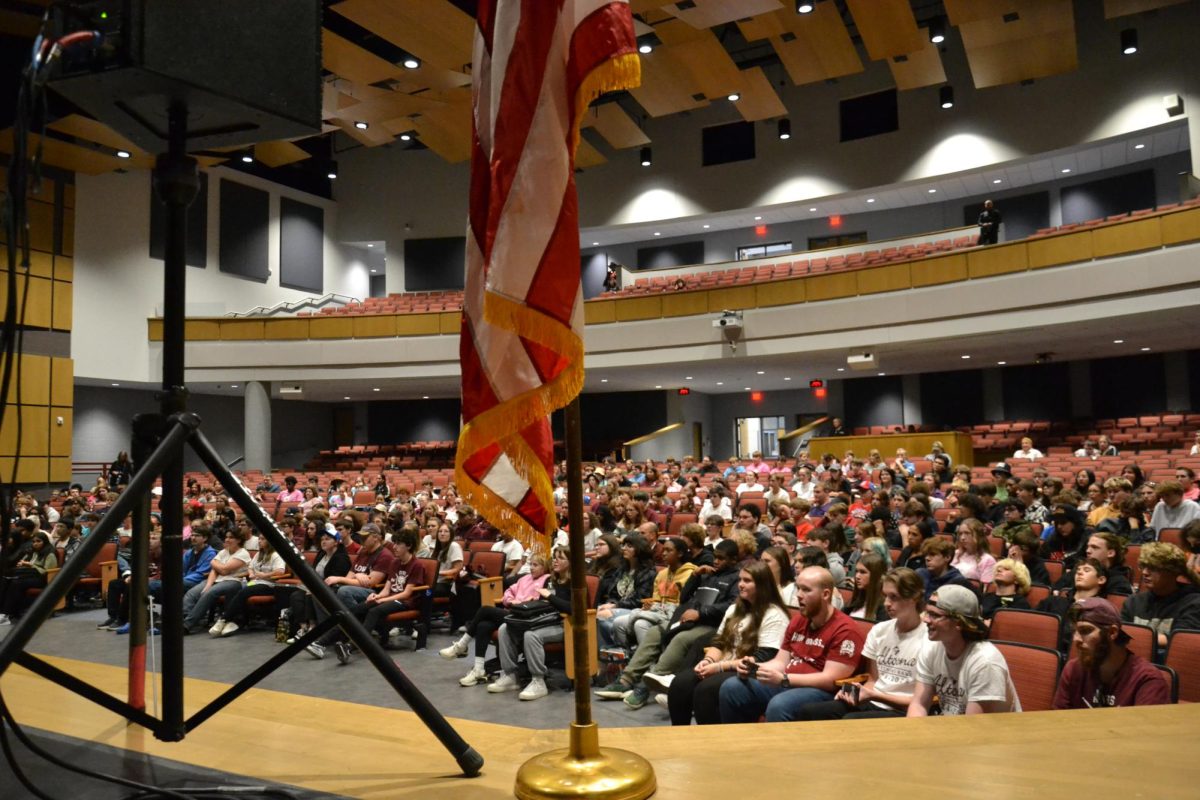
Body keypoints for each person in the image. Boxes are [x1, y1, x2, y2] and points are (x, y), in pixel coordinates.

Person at [597, 540, 741, 710]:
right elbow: (684, 598)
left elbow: (732, 605)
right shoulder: (708, 573)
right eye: (715, 557)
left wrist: (701, 613)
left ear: (733, 560)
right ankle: (626, 680)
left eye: (721, 558)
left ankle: (645, 684)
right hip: (689, 619)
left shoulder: (737, 578)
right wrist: (695, 575)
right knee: (654, 633)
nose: (716, 561)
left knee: (681, 639)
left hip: (712, 625)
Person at [716, 566, 863, 723]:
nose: (799, 595)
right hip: (788, 682)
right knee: (732, 686)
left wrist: (785, 679)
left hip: (821, 691)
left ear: (825, 594)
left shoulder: (845, 629)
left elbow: (831, 679)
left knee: (780, 705)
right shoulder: (799, 620)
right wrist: (755, 668)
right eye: (798, 588)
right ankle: (740, 743)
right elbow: (780, 662)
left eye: (806, 590)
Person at [666, 561, 791, 725]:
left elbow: (763, 657)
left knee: (706, 690)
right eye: (740, 580)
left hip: (749, 671)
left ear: (762, 585)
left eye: (747, 581)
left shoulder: (775, 615)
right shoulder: (734, 609)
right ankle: (679, 734)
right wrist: (707, 661)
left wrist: (718, 667)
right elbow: (719, 642)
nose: (740, 585)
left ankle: (712, 741)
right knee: (681, 683)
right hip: (724, 663)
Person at [796, 568, 929, 721]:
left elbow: (922, 700)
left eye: (894, 597)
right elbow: (872, 680)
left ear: (914, 598)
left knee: (850, 720)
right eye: (885, 596)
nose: (886, 603)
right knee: (809, 711)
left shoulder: (928, 638)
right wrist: (855, 694)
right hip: (874, 700)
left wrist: (876, 696)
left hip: (904, 709)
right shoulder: (880, 630)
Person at [908, 585, 1021, 716]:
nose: (925, 619)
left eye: (934, 615)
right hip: (952, 728)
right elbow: (919, 704)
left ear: (959, 623)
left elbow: (974, 728)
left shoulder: (985, 662)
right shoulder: (931, 647)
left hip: (995, 733)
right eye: (927, 612)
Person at [443, 552, 551, 685]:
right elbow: (508, 592)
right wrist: (510, 601)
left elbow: (537, 601)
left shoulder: (546, 580)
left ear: (544, 567)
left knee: (485, 610)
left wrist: (519, 604)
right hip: (511, 611)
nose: (532, 568)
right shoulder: (524, 579)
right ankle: (478, 669)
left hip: (524, 617)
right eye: (531, 564)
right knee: (483, 625)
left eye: (536, 565)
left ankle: (462, 645)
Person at [488, 545, 573, 701]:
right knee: (505, 628)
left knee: (530, 635)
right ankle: (511, 676)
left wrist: (549, 597)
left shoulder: (576, 582)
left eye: (561, 558)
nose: (555, 561)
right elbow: (542, 603)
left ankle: (538, 680)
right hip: (545, 620)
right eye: (554, 557)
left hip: (565, 624)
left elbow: (573, 608)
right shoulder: (551, 579)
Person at [1054, 598, 1170, 709]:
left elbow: (1145, 730)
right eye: (1074, 631)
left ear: (1112, 632)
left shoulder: (1147, 681)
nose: (1076, 639)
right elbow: (1056, 723)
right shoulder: (1073, 669)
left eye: (1085, 631)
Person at [1120, 542, 1200, 654]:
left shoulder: (1194, 603)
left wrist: (1135, 637)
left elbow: (1180, 640)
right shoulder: (1133, 602)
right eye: (1143, 566)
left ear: (1172, 572)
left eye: (1153, 568)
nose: (1144, 573)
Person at [211, 534, 289, 637]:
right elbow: (250, 567)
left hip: (269, 584)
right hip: (255, 582)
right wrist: (251, 573)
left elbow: (280, 571)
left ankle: (224, 619)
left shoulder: (276, 555)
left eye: (262, 539)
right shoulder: (259, 554)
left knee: (245, 591)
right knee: (233, 589)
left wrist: (264, 575)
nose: (259, 541)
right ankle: (234, 621)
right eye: (259, 539)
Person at [285, 526, 350, 642]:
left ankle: (313, 628)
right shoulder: (321, 554)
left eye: (327, 539)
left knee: (311, 594)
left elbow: (335, 579)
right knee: (295, 596)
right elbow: (313, 572)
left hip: (333, 588)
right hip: (319, 586)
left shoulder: (342, 558)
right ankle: (303, 628)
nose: (323, 541)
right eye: (322, 539)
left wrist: (316, 586)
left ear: (336, 542)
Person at [181, 529, 252, 635]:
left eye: (231, 537)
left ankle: (186, 625)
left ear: (238, 540)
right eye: (226, 537)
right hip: (217, 580)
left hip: (234, 581)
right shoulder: (224, 551)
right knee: (192, 593)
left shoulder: (243, 553)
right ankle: (186, 617)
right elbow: (214, 569)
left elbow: (224, 570)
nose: (227, 539)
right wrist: (208, 585)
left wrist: (215, 564)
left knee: (210, 593)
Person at [595, 533, 656, 649]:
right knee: (592, 613)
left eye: (629, 546)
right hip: (618, 607)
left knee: (601, 616)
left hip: (636, 610)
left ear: (639, 549)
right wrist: (611, 603)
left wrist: (615, 606)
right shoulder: (622, 569)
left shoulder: (649, 573)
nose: (624, 548)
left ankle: (614, 652)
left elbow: (639, 600)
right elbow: (612, 592)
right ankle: (609, 654)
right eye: (623, 545)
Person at [0, 532, 58, 625]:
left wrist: (30, 565)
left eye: (38, 541)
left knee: (17, 583)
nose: (35, 543)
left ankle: (7, 613)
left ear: (45, 542)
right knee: (8, 580)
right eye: (34, 541)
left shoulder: (50, 553)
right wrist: (24, 564)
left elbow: (47, 571)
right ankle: (5, 612)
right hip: (32, 576)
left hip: (43, 579)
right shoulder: (35, 552)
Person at [844, 551, 888, 622]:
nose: (857, 576)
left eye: (863, 572)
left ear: (876, 575)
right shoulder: (855, 601)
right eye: (856, 571)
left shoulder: (884, 607)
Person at [950, 518, 996, 584]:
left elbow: (984, 589)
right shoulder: (956, 553)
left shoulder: (988, 560)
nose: (962, 538)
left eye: (967, 533)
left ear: (978, 536)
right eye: (960, 534)